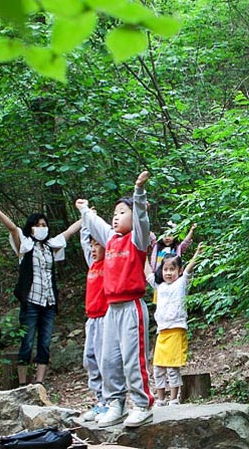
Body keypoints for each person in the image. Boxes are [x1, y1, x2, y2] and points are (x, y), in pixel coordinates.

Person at [76, 170, 154, 428]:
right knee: (108, 359)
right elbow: (96, 223)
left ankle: (142, 405)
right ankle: (116, 404)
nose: (116, 216)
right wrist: (85, 209)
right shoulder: (110, 239)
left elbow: (142, 218)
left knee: (133, 359)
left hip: (132, 307)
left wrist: (139, 193)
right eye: (115, 213)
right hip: (111, 309)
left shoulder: (137, 240)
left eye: (123, 212)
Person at [0, 201, 82, 386]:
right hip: (30, 301)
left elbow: (69, 232)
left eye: (44, 225)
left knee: (44, 343)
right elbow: (13, 228)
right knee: (27, 342)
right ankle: (23, 383)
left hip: (49, 302)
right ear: (30, 228)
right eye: (37, 225)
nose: (41, 228)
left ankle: (39, 383)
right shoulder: (25, 246)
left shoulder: (50, 246)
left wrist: (86, 215)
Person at [148, 254, 201, 406]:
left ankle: (173, 399)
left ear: (179, 270)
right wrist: (142, 253)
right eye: (165, 269)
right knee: (158, 368)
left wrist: (198, 253)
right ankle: (161, 399)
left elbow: (189, 269)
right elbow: (148, 274)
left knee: (172, 367)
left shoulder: (182, 283)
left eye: (172, 269)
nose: (168, 273)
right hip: (162, 332)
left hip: (176, 330)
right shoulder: (160, 286)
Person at [74, 208, 109, 422]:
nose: (93, 248)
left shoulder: (110, 263)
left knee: (106, 361)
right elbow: (83, 241)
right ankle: (99, 400)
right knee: (90, 359)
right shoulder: (93, 264)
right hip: (92, 318)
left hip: (106, 317)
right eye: (92, 244)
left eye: (98, 244)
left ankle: (109, 402)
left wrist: (94, 219)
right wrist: (85, 219)